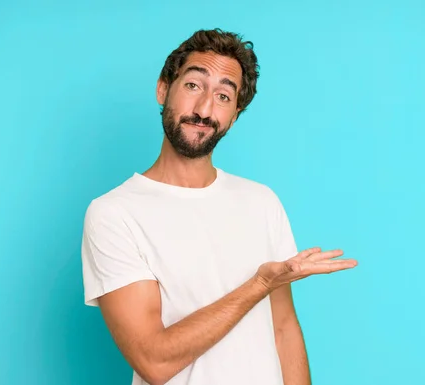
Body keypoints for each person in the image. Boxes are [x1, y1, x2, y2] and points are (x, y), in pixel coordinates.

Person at [81, 28, 358, 385]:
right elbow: (153, 360)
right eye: (194, 86)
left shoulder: (261, 202)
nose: (204, 110)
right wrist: (259, 284)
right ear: (163, 89)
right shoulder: (114, 214)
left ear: (235, 115)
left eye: (224, 96)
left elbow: (283, 330)